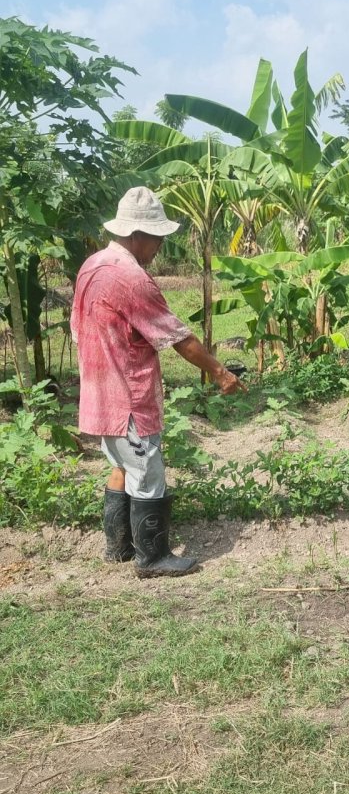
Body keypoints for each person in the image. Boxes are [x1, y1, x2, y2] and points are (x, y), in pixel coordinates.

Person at [71, 186, 244, 578]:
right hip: (128, 397)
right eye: (157, 238)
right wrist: (220, 372)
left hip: (99, 393)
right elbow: (177, 338)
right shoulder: (132, 278)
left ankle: (118, 548)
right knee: (148, 474)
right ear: (137, 235)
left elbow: (78, 330)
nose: (160, 246)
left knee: (121, 466)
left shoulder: (91, 266)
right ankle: (152, 558)